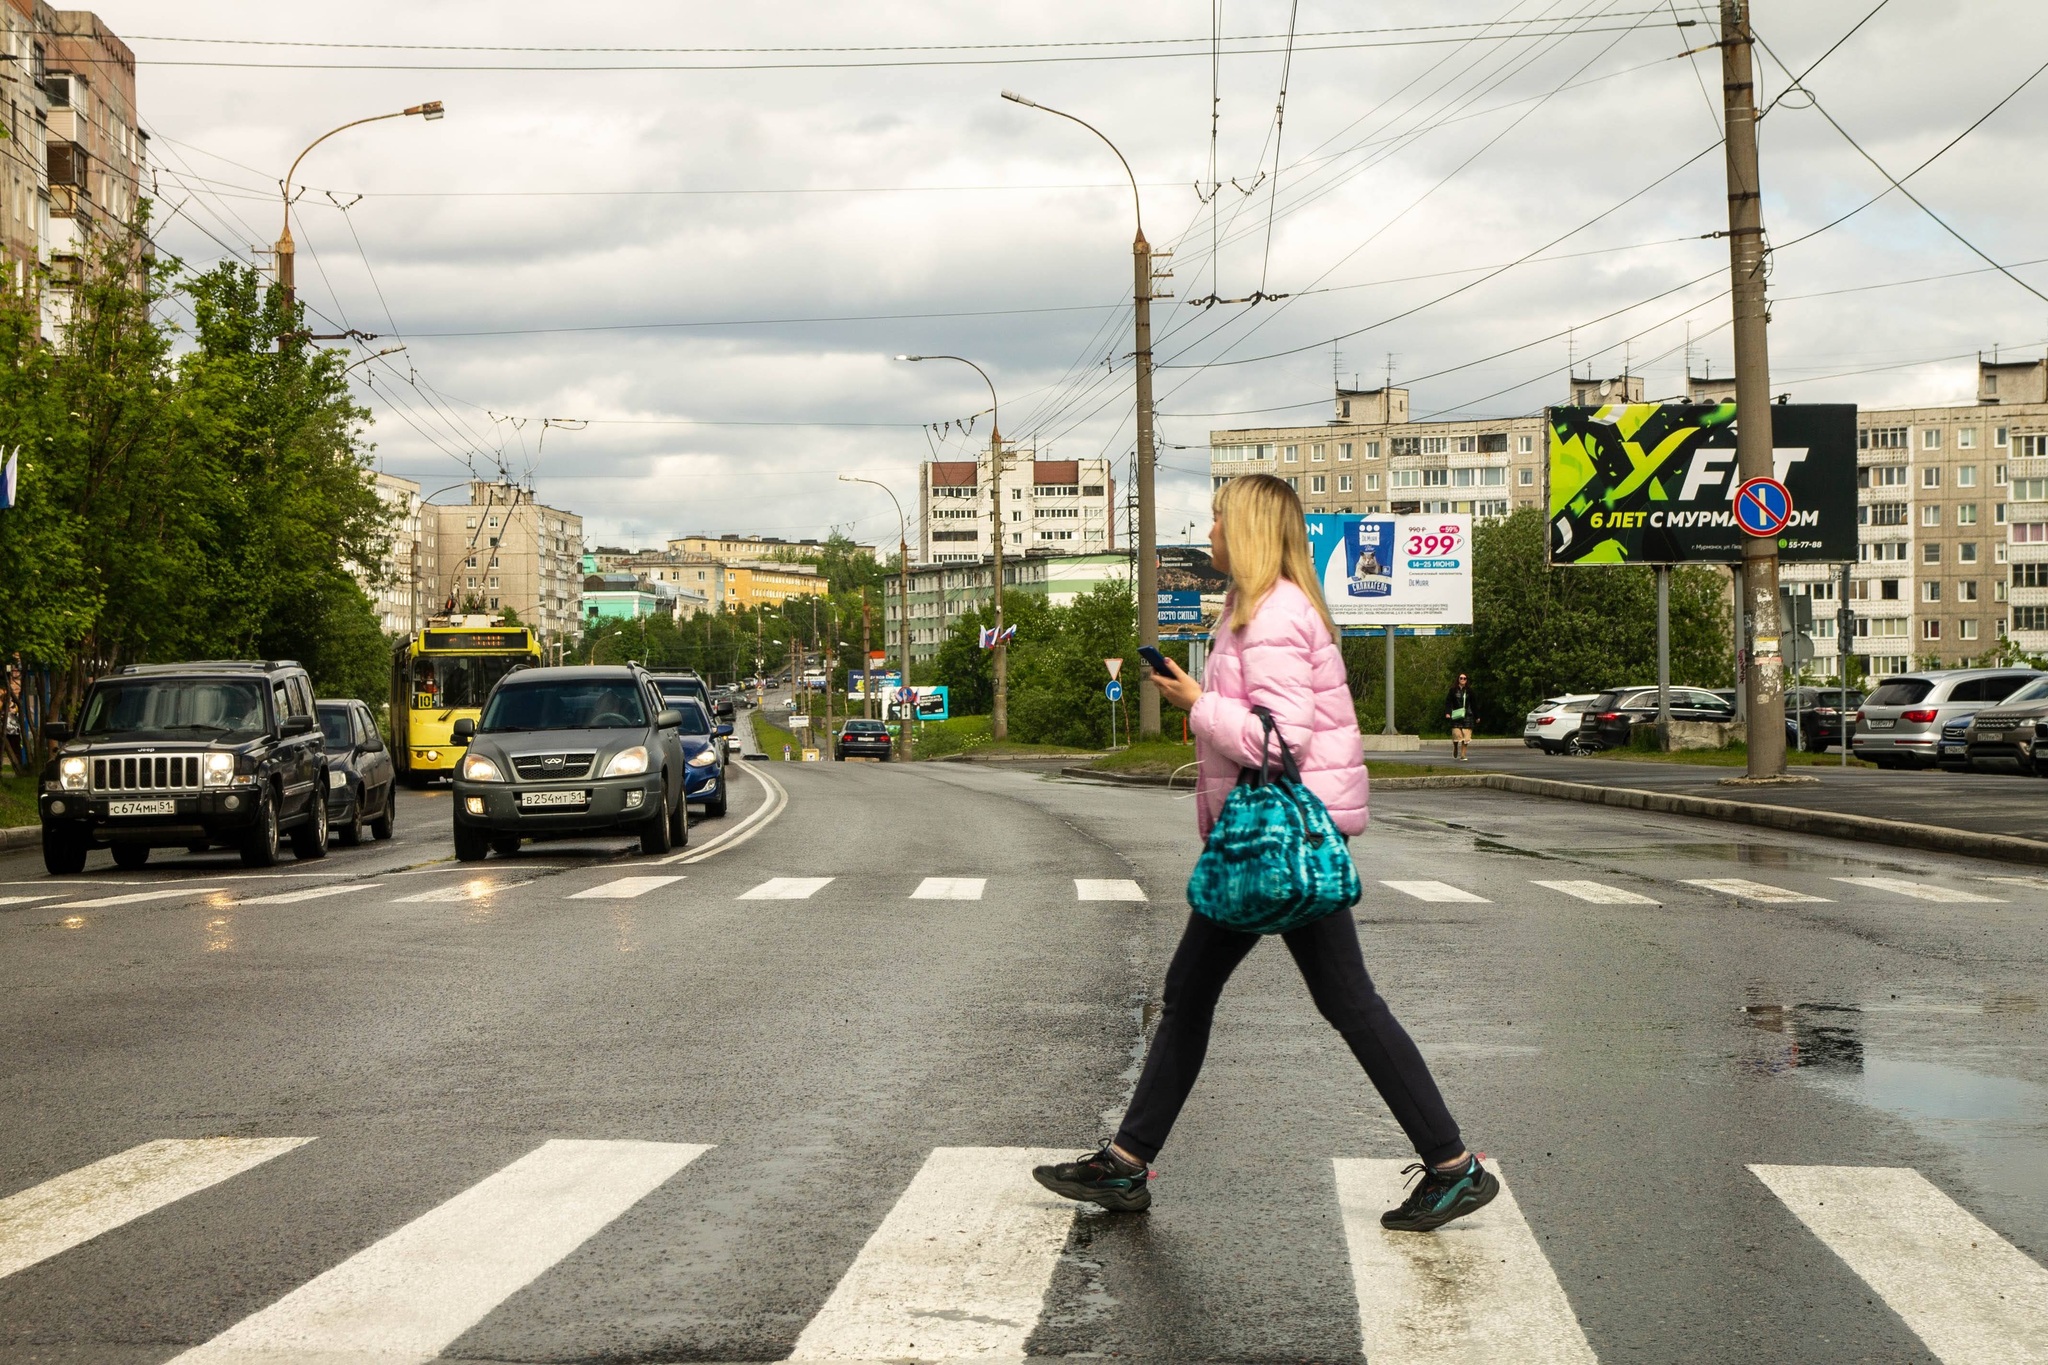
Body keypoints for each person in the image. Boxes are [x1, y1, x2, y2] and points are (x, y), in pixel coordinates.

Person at [1033, 474, 1496, 1233]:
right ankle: (1127, 1161)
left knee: (1279, 998)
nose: (1209, 530)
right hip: (1272, 836)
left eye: (1218, 519)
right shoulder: (1255, 609)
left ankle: (1453, 1166)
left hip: (1278, 839)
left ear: (1246, 529)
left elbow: (1280, 741)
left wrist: (1196, 705)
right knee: (1246, 995)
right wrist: (1204, 697)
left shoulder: (1274, 614)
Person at [1444, 673, 1476, 761]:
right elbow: (1448, 702)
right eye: (1461, 678)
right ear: (1458, 679)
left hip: (1467, 715)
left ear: (1466, 680)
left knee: (1466, 737)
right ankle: (1455, 746)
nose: (1463, 679)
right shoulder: (1453, 690)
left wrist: (1477, 716)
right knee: (1456, 735)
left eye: (1464, 678)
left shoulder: (1469, 691)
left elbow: (1474, 704)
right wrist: (1447, 713)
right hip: (1456, 715)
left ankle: (1463, 755)